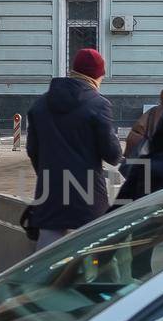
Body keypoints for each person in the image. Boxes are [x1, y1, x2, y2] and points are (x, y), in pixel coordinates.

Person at [25, 48, 121, 251]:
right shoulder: (99, 104)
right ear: (97, 76)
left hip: (50, 191)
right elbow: (112, 155)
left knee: (47, 252)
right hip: (88, 193)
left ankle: (45, 282)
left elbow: (32, 149)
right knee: (94, 249)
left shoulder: (40, 104)